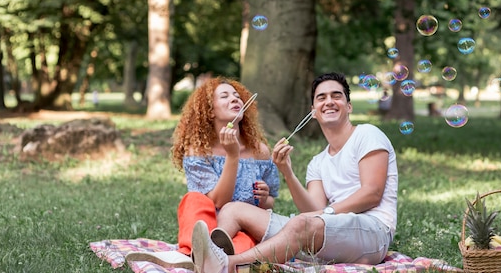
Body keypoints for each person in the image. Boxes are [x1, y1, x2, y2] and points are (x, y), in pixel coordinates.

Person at [191, 72, 398, 273]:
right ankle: (208, 255)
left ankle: (228, 265)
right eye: (321, 97)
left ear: (349, 106)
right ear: (313, 111)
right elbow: (314, 209)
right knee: (233, 209)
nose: (329, 101)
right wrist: (287, 173)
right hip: (331, 236)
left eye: (337, 96)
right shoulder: (318, 162)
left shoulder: (367, 134)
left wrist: (326, 213)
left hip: (373, 233)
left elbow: (372, 193)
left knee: (300, 223)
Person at [125, 77, 280, 269]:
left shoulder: (260, 151)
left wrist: (264, 199)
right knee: (193, 200)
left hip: (241, 228)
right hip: (207, 226)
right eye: (225, 96)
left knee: (244, 243)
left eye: (237, 96)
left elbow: (271, 201)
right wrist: (233, 157)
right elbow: (218, 202)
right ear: (210, 111)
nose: (234, 99)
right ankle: (194, 253)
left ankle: (200, 259)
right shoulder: (198, 151)